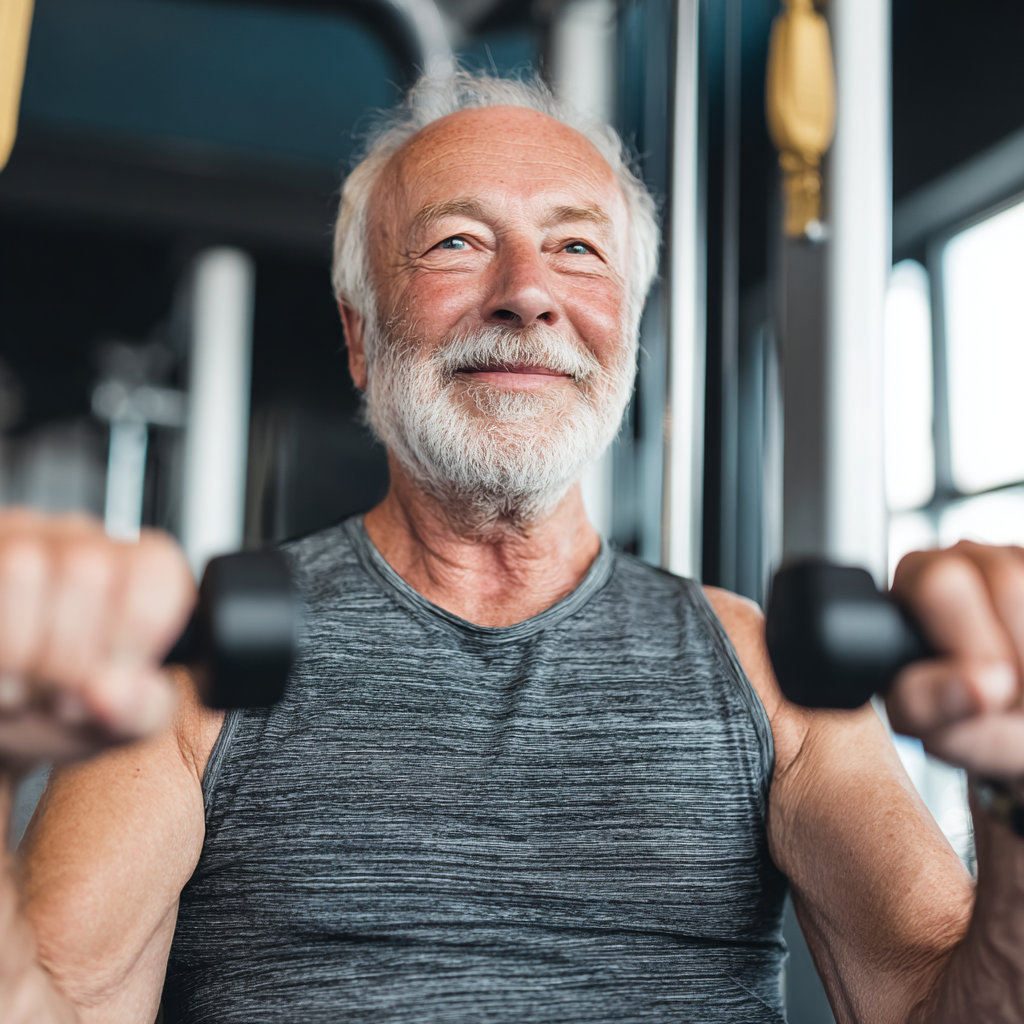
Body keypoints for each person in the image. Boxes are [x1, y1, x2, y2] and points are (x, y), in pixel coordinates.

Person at [1, 70, 1023, 1024]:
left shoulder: (758, 667)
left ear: (625, 327)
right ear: (360, 336)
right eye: (456, 242)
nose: (527, 292)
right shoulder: (192, 680)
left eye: (577, 249)